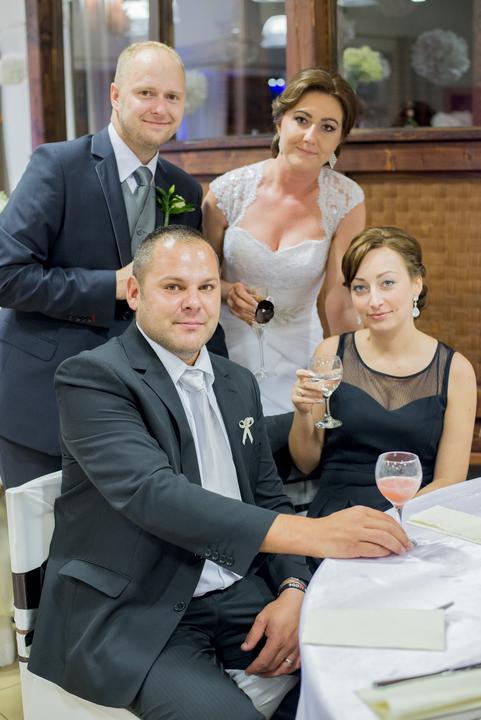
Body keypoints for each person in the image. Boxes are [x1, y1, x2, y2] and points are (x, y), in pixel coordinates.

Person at [28, 226, 410, 720]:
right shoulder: (94, 377)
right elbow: (156, 495)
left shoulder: (235, 381)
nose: (194, 302)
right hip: (140, 610)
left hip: (239, 591)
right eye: (173, 287)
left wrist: (294, 590)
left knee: (377, 671)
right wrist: (318, 534)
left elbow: (268, 497)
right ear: (134, 292)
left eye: (206, 287)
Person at [0, 41, 225, 490]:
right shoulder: (58, 165)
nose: (160, 107)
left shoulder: (183, 189)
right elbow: (7, 276)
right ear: (116, 95)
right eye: (146, 93)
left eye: (172, 96)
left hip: (142, 410)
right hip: (45, 401)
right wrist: (111, 287)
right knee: (46, 534)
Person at [203, 67, 365, 417]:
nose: (310, 136)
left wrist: (349, 369)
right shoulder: (226, 193)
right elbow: (199, 282)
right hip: (226, 347)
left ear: (340, 139)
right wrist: (228, 291)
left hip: (301, 352)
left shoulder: (346, 200)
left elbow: (338, 297)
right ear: (280, 122)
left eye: (327, 127)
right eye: (301, 120)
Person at [289, 226, 477, 529]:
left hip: (415, 519)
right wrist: (302, 413)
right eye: (360, 288)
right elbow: (306, 462)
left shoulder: (455, 371)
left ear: (416, 284)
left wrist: (389, 523)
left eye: (387, 283)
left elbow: (449, 480)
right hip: (337, 519)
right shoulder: (332, 353)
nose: (373, 301)